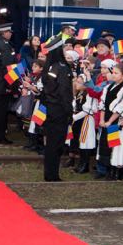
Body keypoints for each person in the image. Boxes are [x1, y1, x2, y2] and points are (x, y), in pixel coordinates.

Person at [40, 35, 74, 182]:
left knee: (51, 144)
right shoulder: (61, 67)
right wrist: (69, 112)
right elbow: (65, 92)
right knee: (57, 144)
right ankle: (53, 175)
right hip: (60, 109)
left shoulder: (49, 66)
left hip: (51, 107)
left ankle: (49, 173)